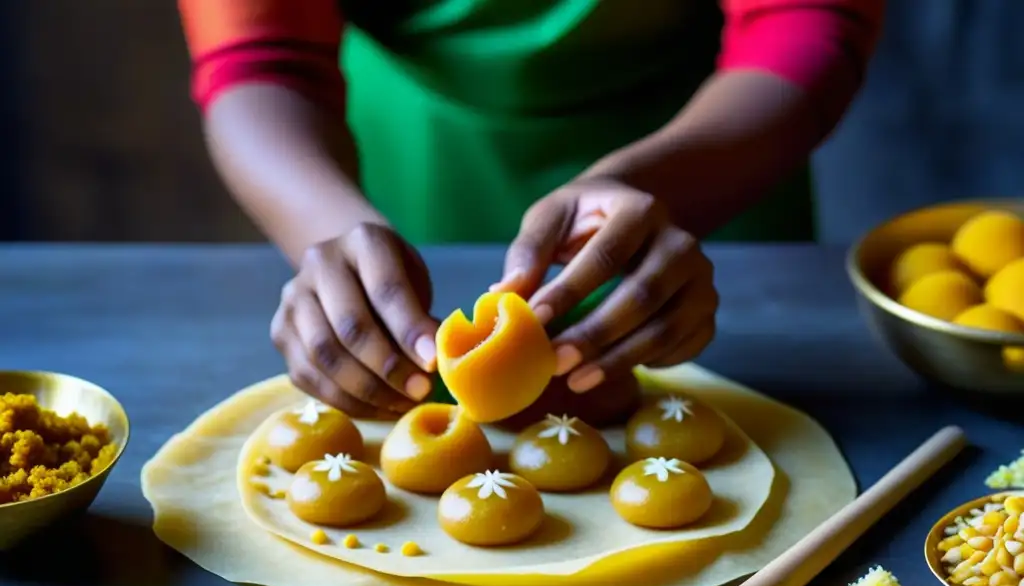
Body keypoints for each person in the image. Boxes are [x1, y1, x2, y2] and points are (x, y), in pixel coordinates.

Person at [177, 0, 885, 422]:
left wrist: (668, 183)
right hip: (413, 150)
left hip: (714, 142)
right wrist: (326, 234)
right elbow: (259, 58)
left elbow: (807, 20)